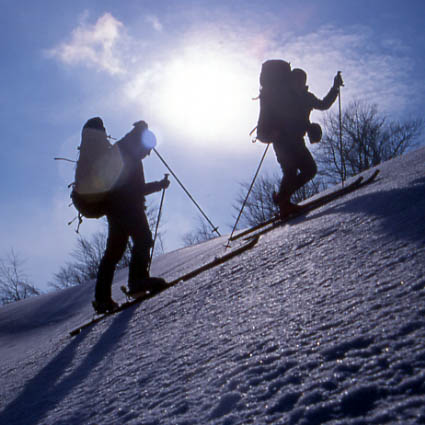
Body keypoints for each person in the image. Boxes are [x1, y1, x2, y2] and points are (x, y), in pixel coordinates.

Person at [88, 118, 170, 314]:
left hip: (114, 209)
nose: (148, 154)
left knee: (113, 254)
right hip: (129, 207)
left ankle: (102, 299)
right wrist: (159, 185)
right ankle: (138, 281)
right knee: (143, 239)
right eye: (149, 150)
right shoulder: (130, 155)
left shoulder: (122, 149)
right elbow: (136, 189)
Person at [272, 68, 344, 218]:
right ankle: (284, 204)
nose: (299, 83)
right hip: (282, 141)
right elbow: (273, 115)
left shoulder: (306, 97)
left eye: (301, 80)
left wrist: (335, 88)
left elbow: (323, 104)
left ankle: (282, 199)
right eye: (296, 80)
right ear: (291, 81)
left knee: (309, 169)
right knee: (290, 171)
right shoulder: (284, 97)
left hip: (296, 140)